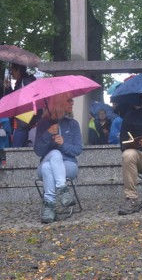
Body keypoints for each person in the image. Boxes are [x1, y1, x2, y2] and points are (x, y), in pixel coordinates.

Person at [34, 93, 82, 224]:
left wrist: (63, 144)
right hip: (47, 160)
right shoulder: (43, 124)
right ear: (59, 103)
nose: (72, 103)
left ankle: (49, 207)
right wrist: (48, 133)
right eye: (68, 100)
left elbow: (78, 150)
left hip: (68, 165)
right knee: (55, 154)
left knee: (47, 167)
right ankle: (62, 190)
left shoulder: (73, 124)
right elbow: (38, 151)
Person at [9, 63, 38, 147]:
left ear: (18, 70)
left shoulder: (25, 82)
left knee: (16, 149)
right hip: (24, 121)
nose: (11, 74)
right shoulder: (22, 82)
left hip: (23, 120)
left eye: (12, 71)